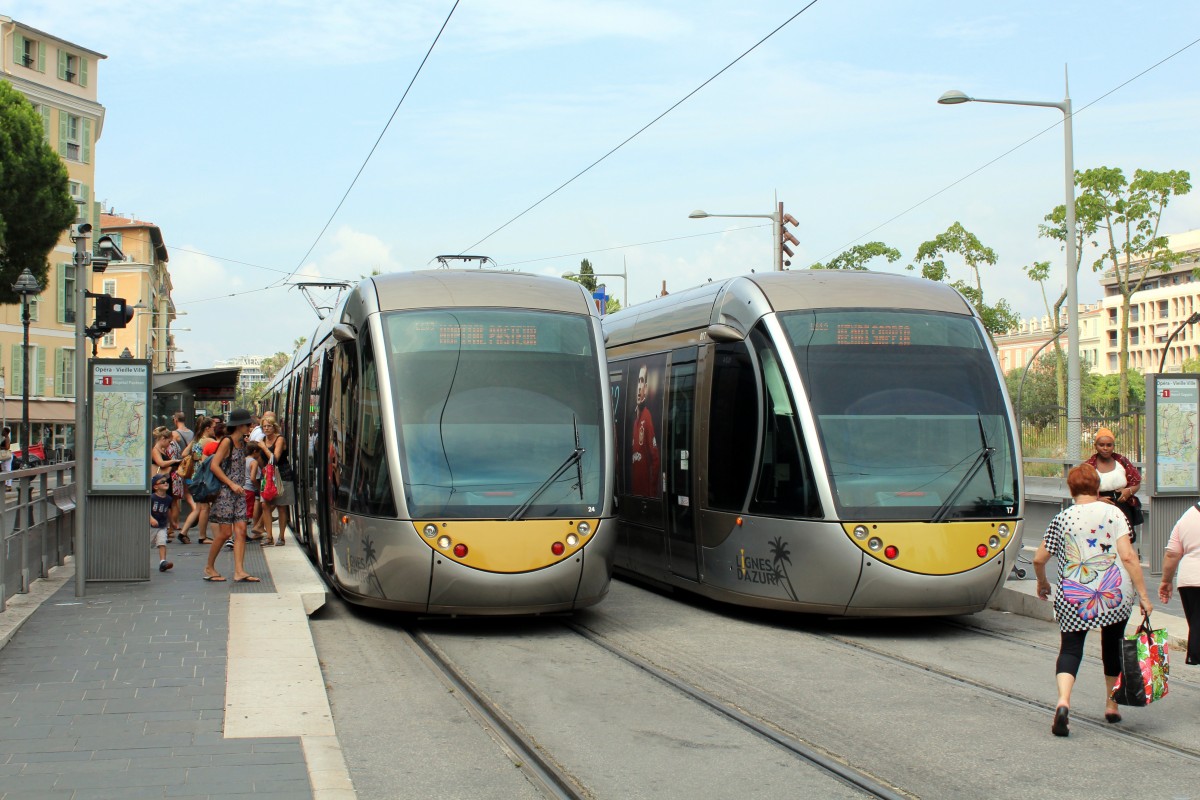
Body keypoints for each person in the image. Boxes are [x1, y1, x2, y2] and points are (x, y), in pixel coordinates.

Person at [1034, 463, 1152, 737]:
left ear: (1071, 489)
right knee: (1112, 646)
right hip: (1114, 594)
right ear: (1097, 487)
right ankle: (1111, 705)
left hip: (1074, 595)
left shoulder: (1062, 518)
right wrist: (1144, 596)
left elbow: (1039, 558)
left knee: (1071, 648)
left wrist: (1042, 582)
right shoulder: (1114, 513)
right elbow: (1128, 556)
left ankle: (1063, 701)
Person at [202, 408, 260, 583]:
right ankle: (209, 567)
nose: (250, 427)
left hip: (239, 492)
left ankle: (239, 571)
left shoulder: (242, 443)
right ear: (240, 425)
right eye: (248, 424)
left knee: (241, 531)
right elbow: (215, 466)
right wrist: (231, 484)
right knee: (225, 533)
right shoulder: (227, 442)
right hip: (226, 493)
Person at [1085, 427, 1143, 543]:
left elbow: (1136, 483)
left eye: (1109, 445)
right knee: (1102, 541)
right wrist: (1098, 499)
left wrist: (1129, 492)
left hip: (1122, 506)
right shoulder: (1089, 466)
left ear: (1113, 446)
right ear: (1095, 446)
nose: (1105, 448)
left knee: (1124, 540)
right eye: (1101, 445)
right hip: (1098, 509)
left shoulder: (1122, 461)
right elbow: (1082, 490)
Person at [1159, 502, 1200, 666]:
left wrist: (1166, 580)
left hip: (1189, 580)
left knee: (1196, 624)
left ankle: (1195, 654)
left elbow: (1172, 554)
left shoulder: (1187, 516)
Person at [251, 416, 292, 546]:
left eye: (269, 426)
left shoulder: (279, 439)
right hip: (268, 477)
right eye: (264, 426)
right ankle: (269, 536)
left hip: (282, 475)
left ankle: (281, 536)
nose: (266, 428)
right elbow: (263, 462)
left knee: (281, 506)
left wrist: (263, 447)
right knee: (265, 505)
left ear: (274, 427)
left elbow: (275, 459)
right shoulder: (262, 440)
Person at [179, 417, 217, 545]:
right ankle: (202, 536)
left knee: (198, 508)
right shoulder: (209, 441)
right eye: (213, 427)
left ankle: (183, 532)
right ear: (207, 428)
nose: (215, 429)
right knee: (204, 508)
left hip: (193, 477)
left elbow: (184, 454)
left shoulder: (196, 440)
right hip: (203, 478)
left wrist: (195, 456)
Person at [630, 364, 660, 497]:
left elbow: (655, 459)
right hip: (635, 496)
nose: (639, 386)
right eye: (638, 381)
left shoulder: (647, 417)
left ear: (646, 389)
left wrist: (651, 494)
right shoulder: (635, 422)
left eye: (642, 381)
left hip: (645, 498)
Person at [149, 474, 174, 573]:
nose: (166, 483)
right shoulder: (151, 498)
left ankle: (162, 562)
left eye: (166, 481)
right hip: (150, 526)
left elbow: (168, 511)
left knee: (162, 542)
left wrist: (172, 523)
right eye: (162, 482)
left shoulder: (168, 498)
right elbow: (145, 509)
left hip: (162, 525)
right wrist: (150, 518)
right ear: (155, 486)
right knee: (146, 545)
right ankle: (142, 562)